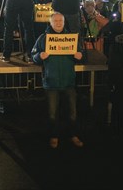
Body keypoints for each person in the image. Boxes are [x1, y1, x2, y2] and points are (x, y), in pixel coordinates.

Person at [31, 12, 84, 149]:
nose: (59, 23)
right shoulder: (43, 38)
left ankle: (73, 135)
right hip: (51, 81)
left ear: (64, 22)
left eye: (61, 20)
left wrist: (80, 56)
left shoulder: (72, 39)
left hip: (69, 81)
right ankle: (54, 136)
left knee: (72, 112)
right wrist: (39, 56)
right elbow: (33, 55)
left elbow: (82, 54)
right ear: (51, 22)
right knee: (52, 114)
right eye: (56, 21)